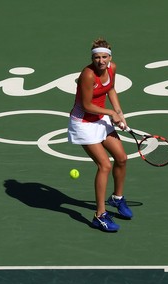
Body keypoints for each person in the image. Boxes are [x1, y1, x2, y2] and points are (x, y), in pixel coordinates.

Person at [68, 38, 133, 232]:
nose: (101, 61)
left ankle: (117, 198)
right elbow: (87, 105)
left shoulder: (112, 68)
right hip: (83, 123)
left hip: (100, 119)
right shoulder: (87, 75)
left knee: (121, 158)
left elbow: (111, 88)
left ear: (110, 57)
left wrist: (119, 112)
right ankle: (100, 215)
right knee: (104, 165)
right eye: (97, 57)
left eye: (104, 57)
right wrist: (111, 114)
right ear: (92, 58)